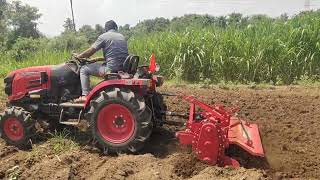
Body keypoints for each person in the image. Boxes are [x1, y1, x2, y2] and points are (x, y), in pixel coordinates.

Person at [74, 20, 129, 102]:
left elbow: (90, 51)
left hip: (111, 70)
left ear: (106, 29)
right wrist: (96, 59)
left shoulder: (104, 36)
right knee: (96, 65)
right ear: (116, 27)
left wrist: (79, 56)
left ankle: (85, 95)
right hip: (122, 68)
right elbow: (114, 55)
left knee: (84, 69)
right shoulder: (121, 36)